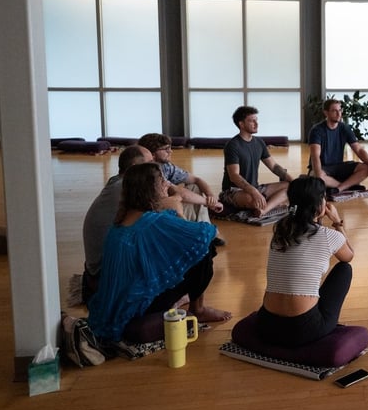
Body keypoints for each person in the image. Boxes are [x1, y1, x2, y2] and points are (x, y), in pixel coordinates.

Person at [86, 162, 232, 342]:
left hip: (116, 304)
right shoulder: (152, 223)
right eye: (161, 180)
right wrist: (178, 210)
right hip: (138, 305)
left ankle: (180, 304)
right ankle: (198, 309)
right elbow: (204, 234)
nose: (167, 183)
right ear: (150, 189)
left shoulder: (123, 220)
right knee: (204, 250)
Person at [254, 175, 355, 346]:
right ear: (319, 204)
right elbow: (349, 255)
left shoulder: (280, 230)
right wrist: (337, 222)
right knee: (345, 269)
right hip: (303, 330)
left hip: (266, 324)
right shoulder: (329, 236)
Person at [80, 144, 153, 303]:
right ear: (135, 167)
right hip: (103, 276)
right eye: (150, 163)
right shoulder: (126, 188)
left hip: (94, 272)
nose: (154, 167)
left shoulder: (117, 181)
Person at [221, 105, 292, 217]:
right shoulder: (232, 145)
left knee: (291, 188)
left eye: (256, 120)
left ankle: (264, 210)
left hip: (255, 187)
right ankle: (274, 203)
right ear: (241, 124)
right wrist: (254, 192)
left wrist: (293, 180)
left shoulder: (259, 142)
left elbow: (273, 166)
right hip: (233, 191)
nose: (256, 124)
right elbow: (234, 175)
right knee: (254, 201)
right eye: (252, 121)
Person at [307, 98, 368, 193]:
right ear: (326, 113)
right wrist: (319, 174)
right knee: (316, 175)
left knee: (367, 168)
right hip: (323, 168)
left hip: (338, 166)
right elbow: (315, 156)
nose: (339, 114)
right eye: (334, 111)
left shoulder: (344, 128)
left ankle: (339, 188)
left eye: (340, 110)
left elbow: (359, 149)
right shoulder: (317, 130)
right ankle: (348, 186)